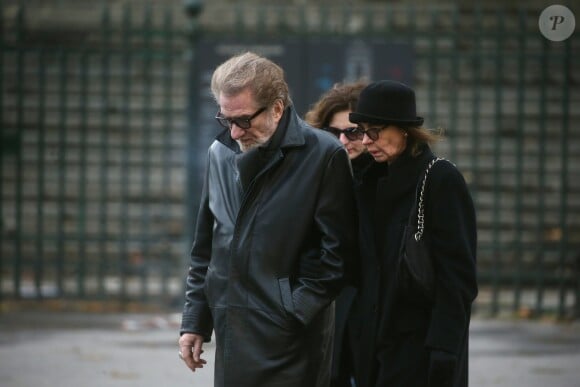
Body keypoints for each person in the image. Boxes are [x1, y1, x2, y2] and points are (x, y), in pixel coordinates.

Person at [178, 51, 358, 387]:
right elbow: (207, 247)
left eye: (243, 120)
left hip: (292, 341)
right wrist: (194, 321)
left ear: (277, 108)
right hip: (234, 331)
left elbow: (337, 256)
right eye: (225, 119)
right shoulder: (220, 153)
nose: (234, 132)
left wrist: (293, 311)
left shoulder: (324, 155)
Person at [347, 80, 478, 387]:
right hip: (374, 344)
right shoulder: (367, 181)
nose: (366, 141)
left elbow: (457, 277)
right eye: (362, 130)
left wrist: (444, 350)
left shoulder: (440, 179)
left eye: (375, 131)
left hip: (420, 346)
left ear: (404, 129)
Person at [305, 80, 372, 387]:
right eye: (333, 132)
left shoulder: (388, 179)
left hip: (372, 310)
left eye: (353, 131)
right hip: (324, 306)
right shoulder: (312, 176)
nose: (343, 140)